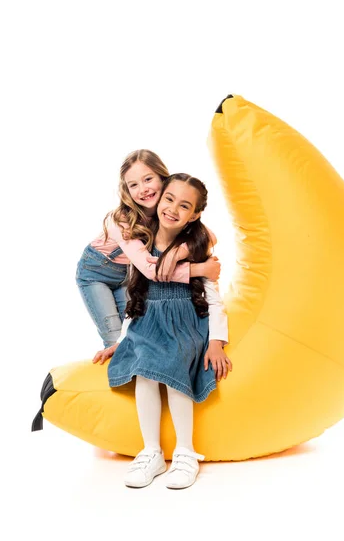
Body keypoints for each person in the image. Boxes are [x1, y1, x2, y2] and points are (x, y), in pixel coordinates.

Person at [100, 173, 232, 490]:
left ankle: (185, 452)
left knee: (174, 363)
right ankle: (152, 453)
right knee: (144, 369)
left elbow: (214, 299)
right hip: (148, 321)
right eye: (169, 199)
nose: (172, 209)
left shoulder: (196, 247)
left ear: (195, 215)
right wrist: (120, 340)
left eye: (184, 205)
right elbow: (135, 297)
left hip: (185, 321)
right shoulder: (141, 244)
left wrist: (216, 341)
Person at [75, 149, 221, 351]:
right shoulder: (120, 221)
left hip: (129, 274)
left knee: (135, 333)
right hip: (96, 273)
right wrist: (199, 270)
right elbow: (151, 271)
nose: (142, 189)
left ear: (163, 178)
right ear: (126, 190)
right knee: (114, 338)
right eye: (133, 185)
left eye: (148, 179)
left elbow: (209, 236)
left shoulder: (168, 209)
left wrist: (175, 253)